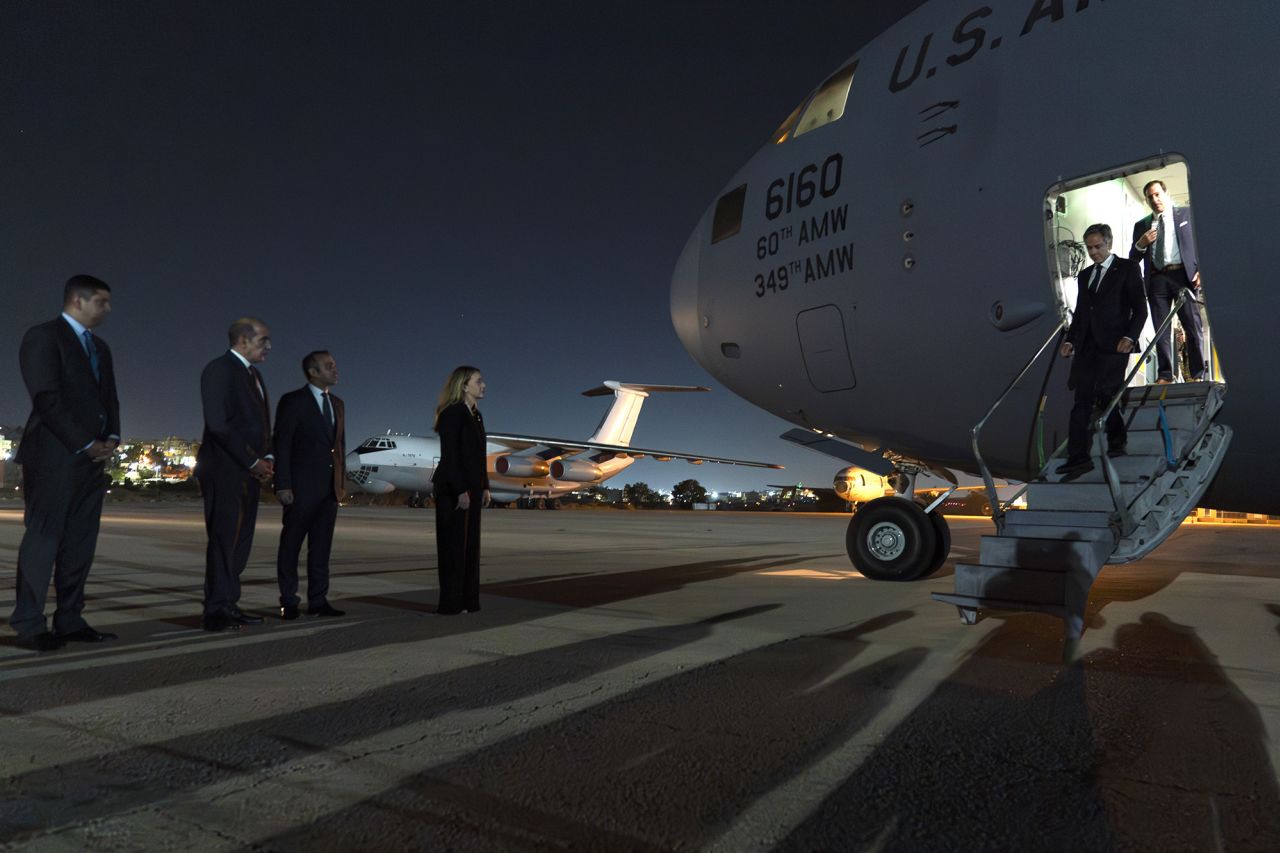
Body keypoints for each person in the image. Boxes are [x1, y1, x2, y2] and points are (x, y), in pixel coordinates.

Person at [9, 275, 121, 652]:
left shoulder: (100, 348)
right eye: (102, 302)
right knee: (43, 540)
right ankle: (28, 623)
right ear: (78, 300)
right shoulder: (43, 337)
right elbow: (46, 398)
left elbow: (110, 399)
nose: (107, 309)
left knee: (80, 544)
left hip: (91, 462)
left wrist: (112, 440)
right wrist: (86, 443)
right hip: (53, 456)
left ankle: (70, 619)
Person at [196, 318, 273, 631]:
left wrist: (266, 457)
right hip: (225, 469)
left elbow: (263, 425)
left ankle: (229, 603)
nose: (268, 346)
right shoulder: (219, 370)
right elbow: (218, 424)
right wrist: (251, 461)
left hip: (249, 471)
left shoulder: (254, 375)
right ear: (243, 340)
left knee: (240, 542)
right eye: (263, 340)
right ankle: (215, 610)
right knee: (223, 541)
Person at [1058, 224, 1148, 477]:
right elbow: (1082, 315)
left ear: (1108, 243)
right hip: (1087, 348)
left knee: (1108, 394)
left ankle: (1117, 441)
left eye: (1098, 246)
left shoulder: (1127, 269)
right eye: (1089, 248)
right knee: (1081, 401)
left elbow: (1140, 309)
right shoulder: (1085, 276)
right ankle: (1078, 458)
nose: (1094, 252)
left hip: (1114, 345)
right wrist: (1070, 340)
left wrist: (1130, 336)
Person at [273, 350, 346, 619]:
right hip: (300, 489)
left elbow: (338, 447)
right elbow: (282, 443)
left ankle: (318, 600)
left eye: (335, 365)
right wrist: (283, 484)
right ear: (313, 372)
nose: (335, 370)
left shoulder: (338, 404)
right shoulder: (293, 401)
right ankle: (289, 601)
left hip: (329, 491)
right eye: (329, 366)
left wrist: (340, 485)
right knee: (291, 546)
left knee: (321, 549)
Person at [1129, 179, 1205, 383]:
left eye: (1157, 194)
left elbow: (1202, 243)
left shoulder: (1186, 215)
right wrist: (1141, 243)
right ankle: (1165, 374)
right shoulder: (1142, 225)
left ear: (1165, 193)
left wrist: (1201, 271)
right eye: (1150, 197)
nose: (1154, 200)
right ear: (1146, 200)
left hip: (1183, 276)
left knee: (1192, 325)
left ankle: (1197, 374)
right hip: (1157, 279)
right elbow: (1133, 258)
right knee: (1160, 329)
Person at [431, 366, 490, 614]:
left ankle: (468, 601)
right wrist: (460, 490)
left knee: (470, 547)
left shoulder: (475, 415)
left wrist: (485, 486)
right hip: (453, 489)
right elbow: (450, 456)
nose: (483, 385)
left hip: (472, 489)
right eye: (479, 381)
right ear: (464, 386)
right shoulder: (452, 413)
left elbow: (479, 455)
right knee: (453, 548)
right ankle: (451, 604)